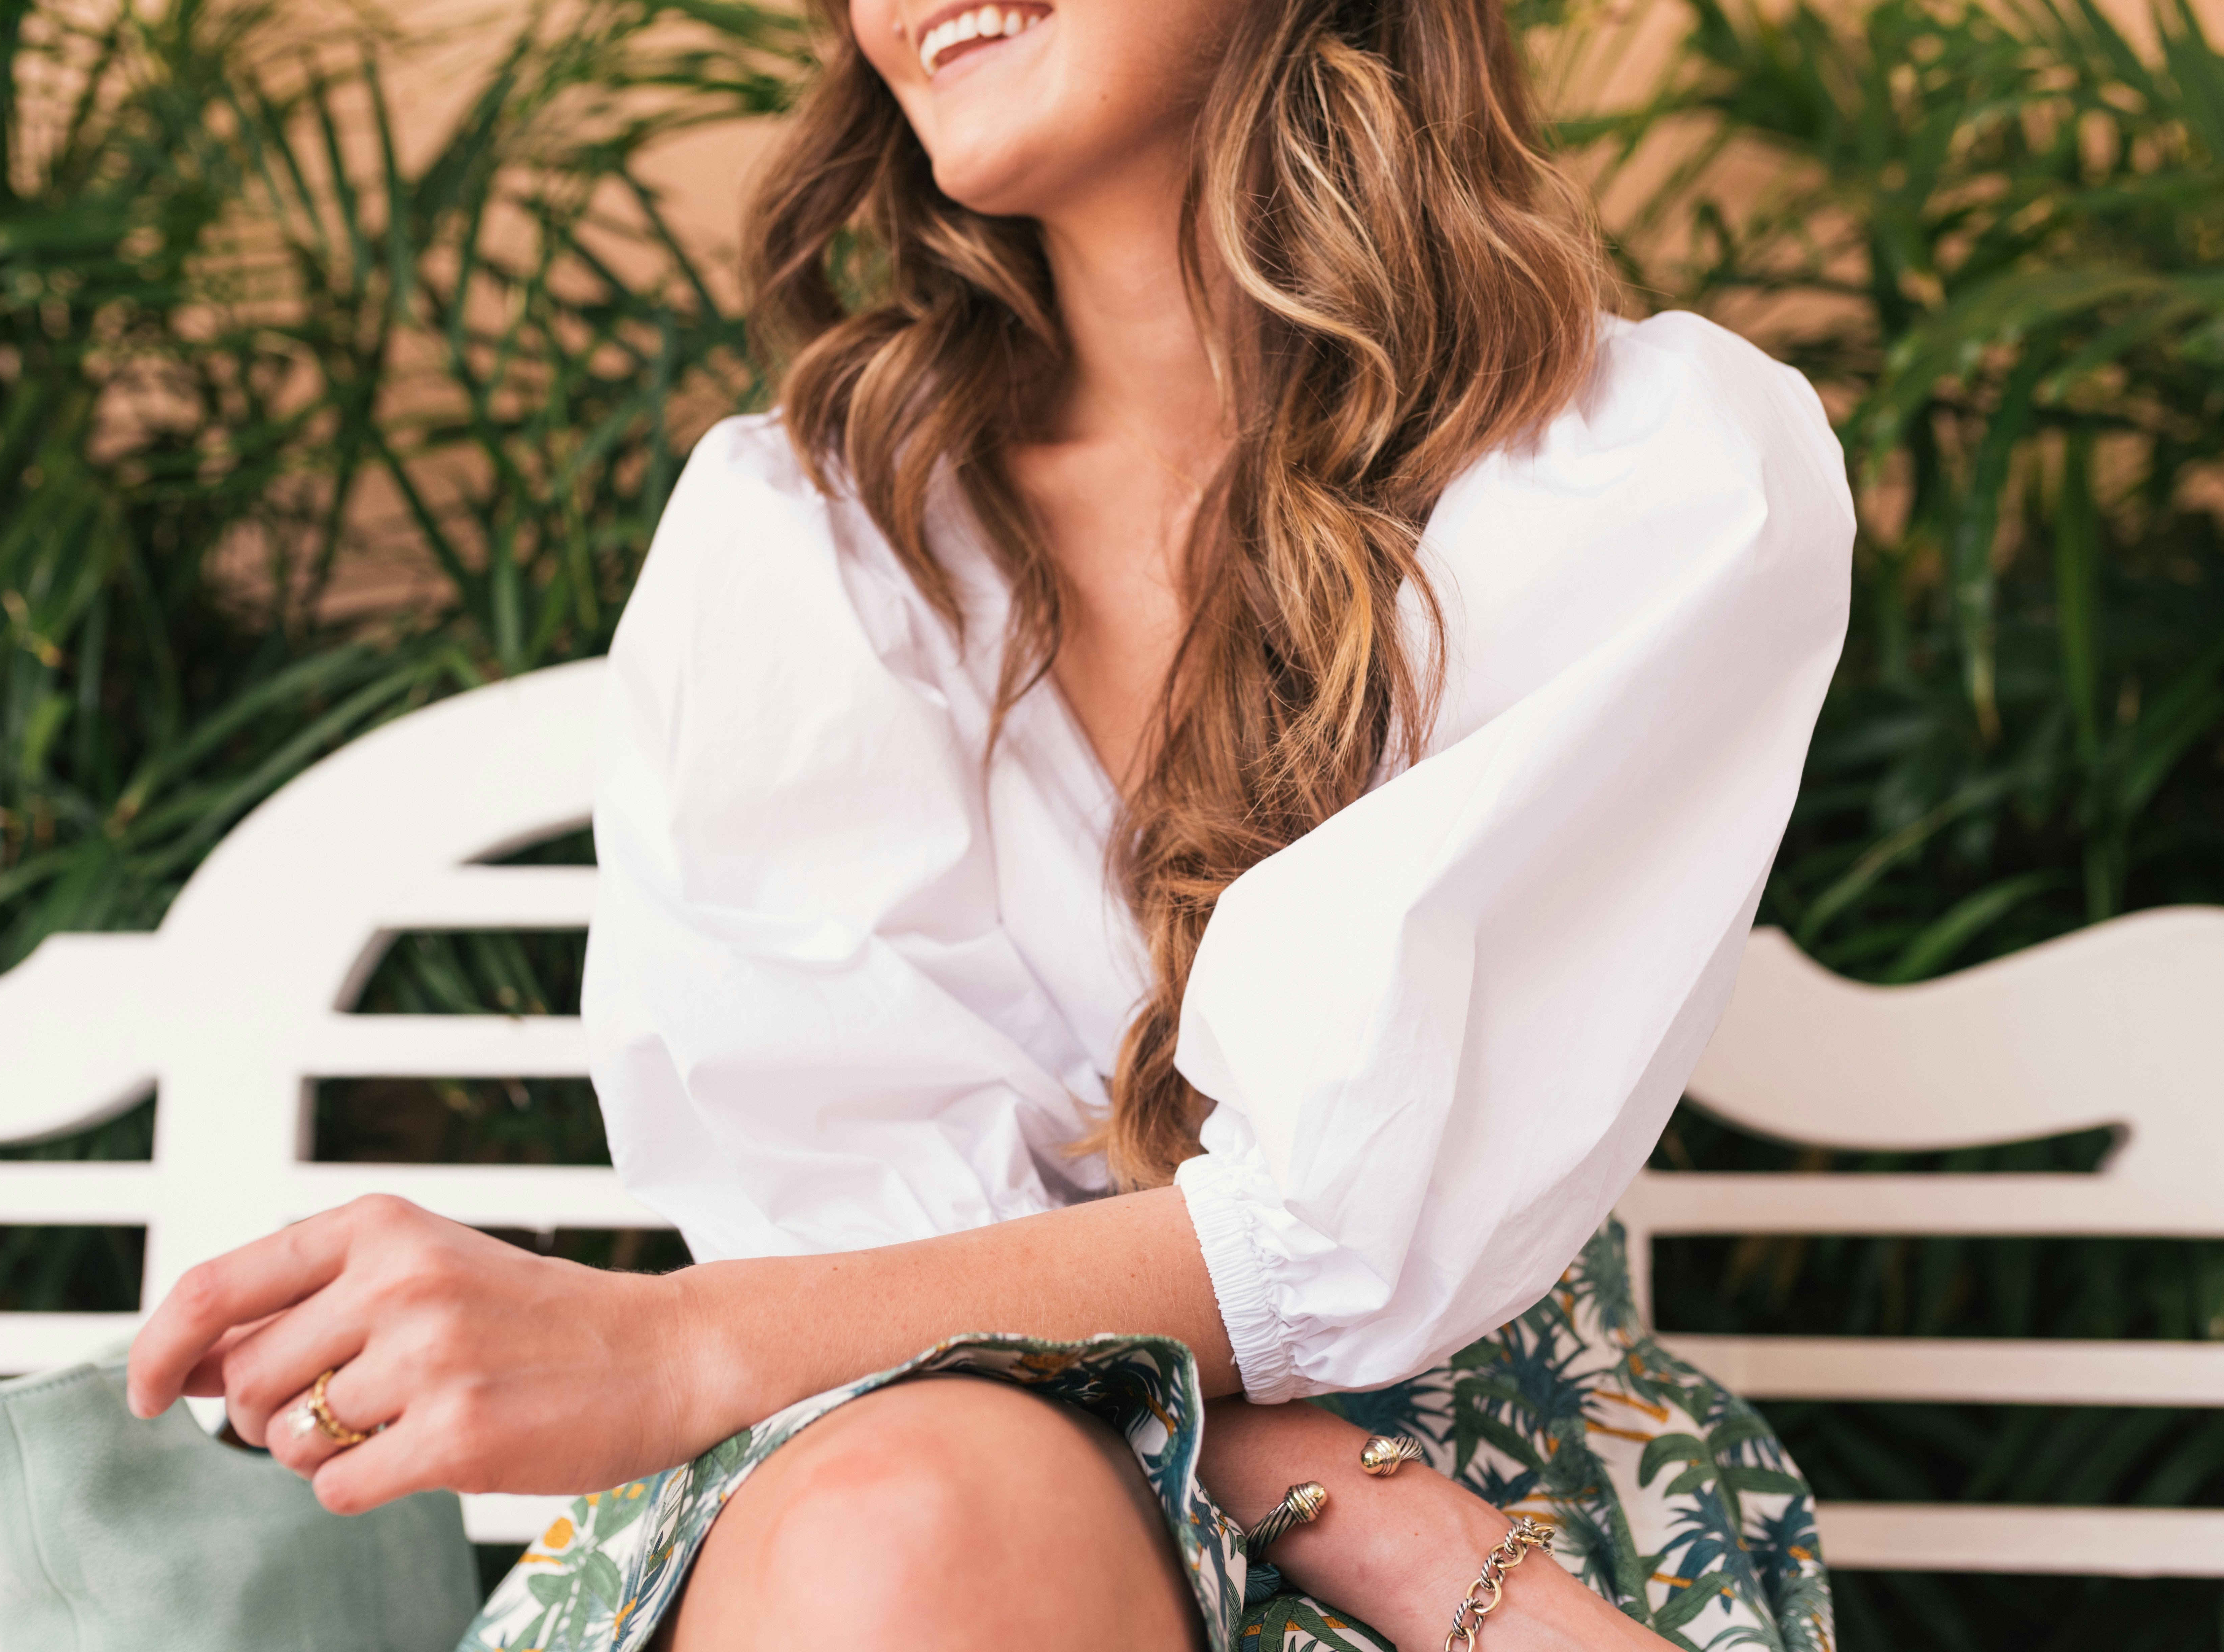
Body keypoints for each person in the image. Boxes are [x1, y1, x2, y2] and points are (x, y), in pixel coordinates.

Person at [126, 0, 1855, 1644]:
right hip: (911, 1452)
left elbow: (1351, 1230)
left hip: (1476, 1457)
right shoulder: (815, 538)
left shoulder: (1646, 474)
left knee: (917, 1511)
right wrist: (1381, 1527)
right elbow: (875, 1277)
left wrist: (672, 1346)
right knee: (917, 1502)